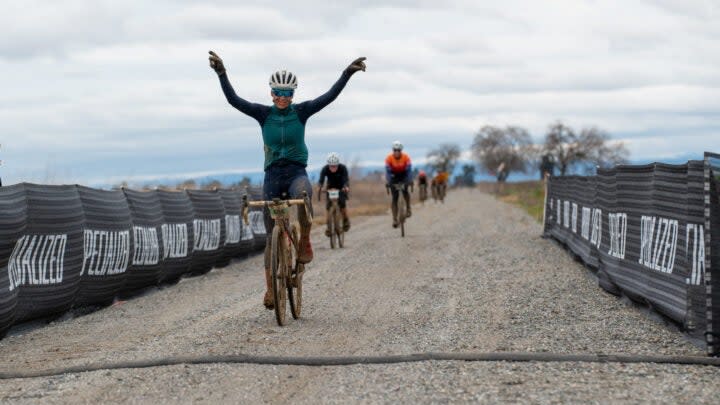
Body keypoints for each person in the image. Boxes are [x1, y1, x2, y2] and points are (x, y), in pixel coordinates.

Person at [209, 50, 366, 309]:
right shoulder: (263, 114)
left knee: (304, 194)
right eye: (278, 93)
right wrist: (222, 73)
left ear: (293, 95)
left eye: (288, 94)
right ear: (271, 93)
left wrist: (347, 73)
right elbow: (233, 100)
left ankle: (304, 239)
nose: (283, 98)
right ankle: (271, 289)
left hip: (295, 173)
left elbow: (330, 96)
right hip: (272, 175)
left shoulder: (302, 112)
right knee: (271, 236)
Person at [318, 152, 350, 234]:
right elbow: (321, 180)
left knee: (342, 204)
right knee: (328, 207)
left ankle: (345, 220)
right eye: (331, 166)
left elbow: (346, 179)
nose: (333, 168)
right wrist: (320, 187)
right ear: (328, 165)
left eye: (335, 166)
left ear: (338, 164)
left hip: (341, 188)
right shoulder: (325, 169)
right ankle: (329, 227)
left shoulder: (343, 168)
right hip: (330, 188)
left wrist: (346, 186)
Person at [385, 141, 412, 227]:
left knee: (405, 192)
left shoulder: (406, 157)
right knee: (395, 198)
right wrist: (389, 181)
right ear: (393, 151)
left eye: (398, 150)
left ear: (401, 150)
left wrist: (409, 180)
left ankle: (408, 208)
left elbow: (409, 170)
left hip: (404, 176)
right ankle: (395, 219)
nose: (397, 152)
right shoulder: (389, 158)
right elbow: (388, 172)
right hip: (394, 177)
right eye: (395, 150)